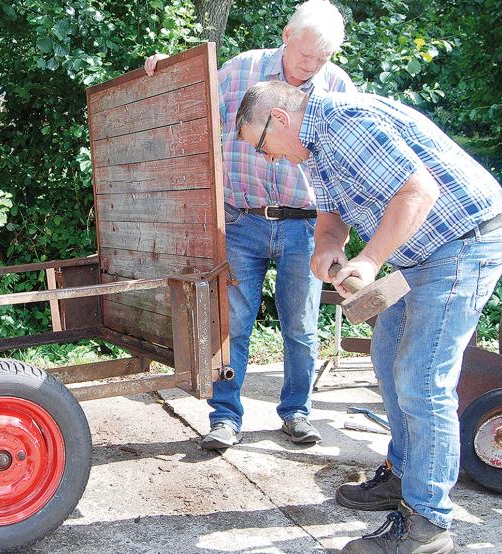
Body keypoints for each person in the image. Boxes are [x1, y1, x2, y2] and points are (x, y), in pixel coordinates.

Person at [235, 80, 502, 554]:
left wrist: (369, 261)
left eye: (262, 145)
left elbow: (417, 191)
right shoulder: (314, 146)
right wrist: (328, 246)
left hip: (464, 242)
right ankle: (404, 476)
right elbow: (330, 214)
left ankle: (427, 524)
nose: (269, 158)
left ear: (279, 119)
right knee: (388, 360)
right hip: (422, 251)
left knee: (422, 379)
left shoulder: (344, 121)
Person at [145, 0, 354, 450]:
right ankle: (224, 417)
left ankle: (297, 412)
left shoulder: (336, 85)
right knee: (233, 322)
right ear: (285, 35)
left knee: (300, 324)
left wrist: (338, 233)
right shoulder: (242, 70)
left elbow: (346, 162)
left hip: (305, 226)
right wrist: (165, 73)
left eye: (323, 58)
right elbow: (193, 104)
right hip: (242, 219)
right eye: (306, 55)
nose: (312, 66)